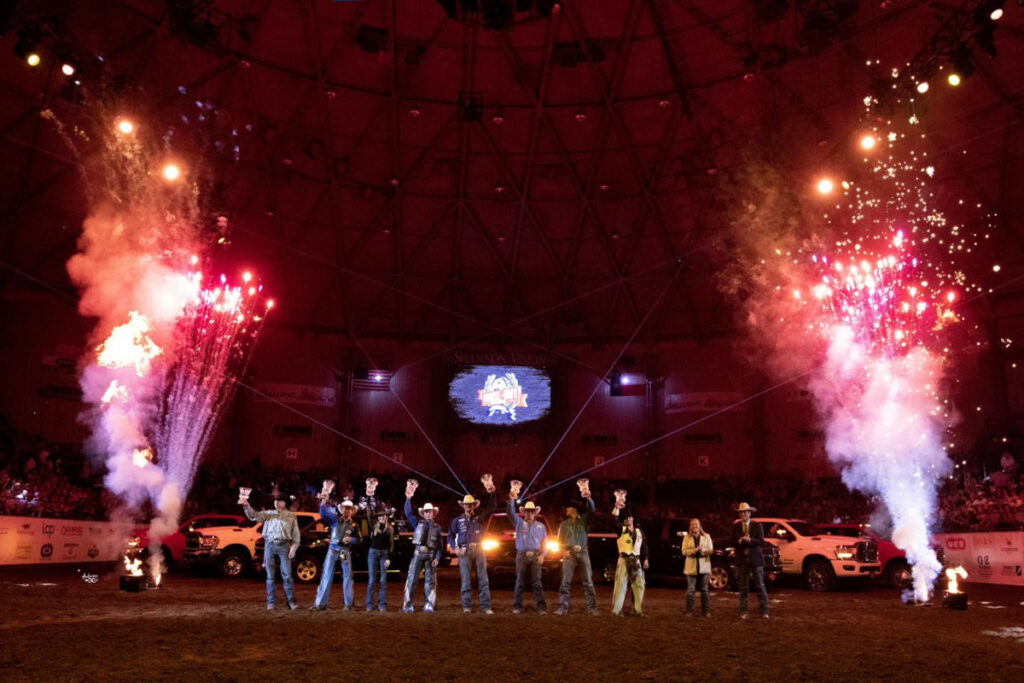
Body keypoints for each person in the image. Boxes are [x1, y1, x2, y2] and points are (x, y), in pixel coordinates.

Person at [448, 475, 498, 614]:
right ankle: (467, 606)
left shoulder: (480, 516)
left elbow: (492, 507)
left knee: (483, 579)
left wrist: (492, 492)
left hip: (479, 549)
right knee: (466, 580)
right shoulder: (457, 521)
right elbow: (451, 536)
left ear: (473, 506)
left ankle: (486, 606)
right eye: (466, 504)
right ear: (463, 506)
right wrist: (455, 548)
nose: (468, 506)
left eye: (470, 504)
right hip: (464, 551)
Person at [243, 491, 300, 611]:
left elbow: (296, 534)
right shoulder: (268, 514)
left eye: (279, 500)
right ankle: (272, 602)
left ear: (285, 503)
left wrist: (294, 547)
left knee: (287, 575)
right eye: (275, 500)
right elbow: (253, 515)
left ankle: (290, 602)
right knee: (270, 576)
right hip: (270, 545)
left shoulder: (291, 516)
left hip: (283, 546)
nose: (276, 502)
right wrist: (246, 504)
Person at [311, 498, 361, 611]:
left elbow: (359, 540)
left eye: (349, 509)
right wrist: (323, 503)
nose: (347, 511)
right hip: (333, 549)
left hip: (344, 550)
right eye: (345, 508)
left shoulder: (354, 525)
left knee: (347, 577)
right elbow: (323, 513)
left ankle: (348, 604)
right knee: (327, 575)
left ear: (352, 511)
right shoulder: (335, 520)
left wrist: (351, 539)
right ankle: (321, 604)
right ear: (342, 510)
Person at [506, 497, 549, 615]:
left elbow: (545, 543)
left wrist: (542, 556)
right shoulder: (519, 523)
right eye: (527, 511)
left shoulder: (541, 526)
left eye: (531, 511)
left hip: (535, 556)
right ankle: (517, 606)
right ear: (524, 512)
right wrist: (511, 500)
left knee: (537, 582)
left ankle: (541, 607)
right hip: (522, 555)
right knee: (520, 581)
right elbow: (510, 512)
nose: (529, 513)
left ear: (534, 512)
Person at [556, 495, 598, 615]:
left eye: (568, 508)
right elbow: (559, 541)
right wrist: (563, 552)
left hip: (582, 551)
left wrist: (589, 498)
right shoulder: (564, 524)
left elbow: (592, 510)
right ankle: (563, 608)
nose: (566, 510)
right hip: (570, 552)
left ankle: (592, 608)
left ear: (574, 509)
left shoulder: (584, 520)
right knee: (566, 581)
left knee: (588, 581)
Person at [402, 496, 444, 612]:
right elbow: (408, 513)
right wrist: (408, 498)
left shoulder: (437, 528)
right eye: (426, 512)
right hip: (418, 554)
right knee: (412, 579)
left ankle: (429, 604)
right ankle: (408, 604)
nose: (428, 514)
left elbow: (440, 545)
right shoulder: (417, 523)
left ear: (433, 513)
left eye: (430, 512)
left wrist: (437, 557)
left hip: (430, 555)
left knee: (430, 581)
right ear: (423, 513)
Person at [731, 502, 769, 619]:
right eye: (740, 512)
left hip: (755, 559)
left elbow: (761, 541)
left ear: (749, 513)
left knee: (759, 585)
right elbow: (731, 541)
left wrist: (750, 540)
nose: (742, 514)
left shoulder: (757, 525)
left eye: (745, 512)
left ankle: (764, 611)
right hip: (742, 559)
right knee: (743, 587)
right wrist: (739, 541)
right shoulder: (735, 526)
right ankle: (744, 611)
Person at [611, 512, 648, 616]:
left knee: (639, 585)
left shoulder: (639, 531)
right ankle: (617, 610)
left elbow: (644, 546)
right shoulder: (620, 529)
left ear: (633, 518)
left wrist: (646, 558)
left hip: (636, 560)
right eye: (626, 518)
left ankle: (638, 610)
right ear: (623, 521)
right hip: (624, 559)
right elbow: (614, 521)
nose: (628, 519)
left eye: (630, 517)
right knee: (620, 585)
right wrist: (617, 509)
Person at [682, 517, 713, 617]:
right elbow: (684, 551)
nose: (694, 526)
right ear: (690, 527)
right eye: (692, 524)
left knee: (704, 589)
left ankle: (706, 611)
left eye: (696, 524)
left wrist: (702, 551)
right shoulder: (687, 538)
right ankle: (689, 611)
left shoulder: (707, 536)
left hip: (704, 566)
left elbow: (711, 550)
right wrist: (694, 551)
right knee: (691, 590)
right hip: (691, 566)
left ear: (700, 526)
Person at [366, 508, 395, 612]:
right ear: (377, 518)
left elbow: (392, 545)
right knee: (372, 580)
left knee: (383, 580)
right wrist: (369, 497)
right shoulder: (373, 527)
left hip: (384, 554)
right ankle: (369, 604)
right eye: (380, 516)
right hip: (373, 553)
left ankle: (382, 604)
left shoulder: (390, 529)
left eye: (384, 516)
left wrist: (389, 558)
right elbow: (369, 514)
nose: (382, 517)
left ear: (386, 517)